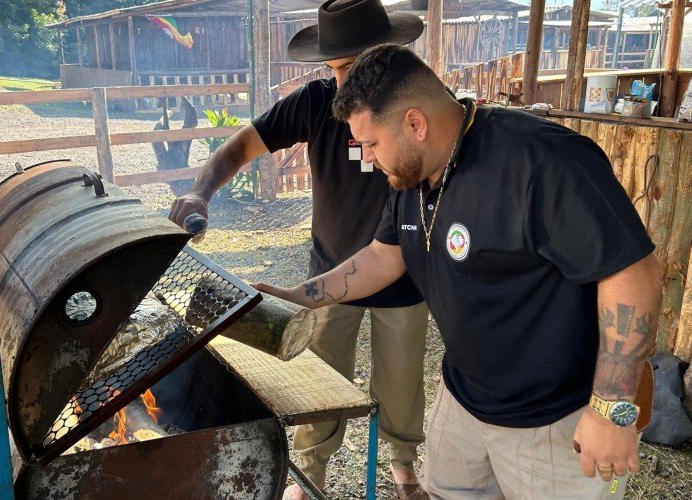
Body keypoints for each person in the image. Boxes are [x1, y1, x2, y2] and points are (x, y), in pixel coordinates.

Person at [255, 43, 662, 499]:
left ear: (415, 123)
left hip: (553, 419)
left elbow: (632, 271)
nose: (366, 158)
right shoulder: (411, 172)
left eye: (370, 143)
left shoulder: (542, 161)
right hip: (464, 399)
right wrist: (293, 297)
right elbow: (382, 256)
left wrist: (611, 408)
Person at [168, 2, 430, 498]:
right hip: (330, 275)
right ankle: (311, 472)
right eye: (333, 69)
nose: (340, 84)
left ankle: (403, 466)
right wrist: (201, 191)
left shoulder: (414, 112)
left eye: (352, 69)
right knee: (321, 383)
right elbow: (237, 148)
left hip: (404, 271)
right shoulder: (314, 103)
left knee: (402, 381)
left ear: (388, 57)